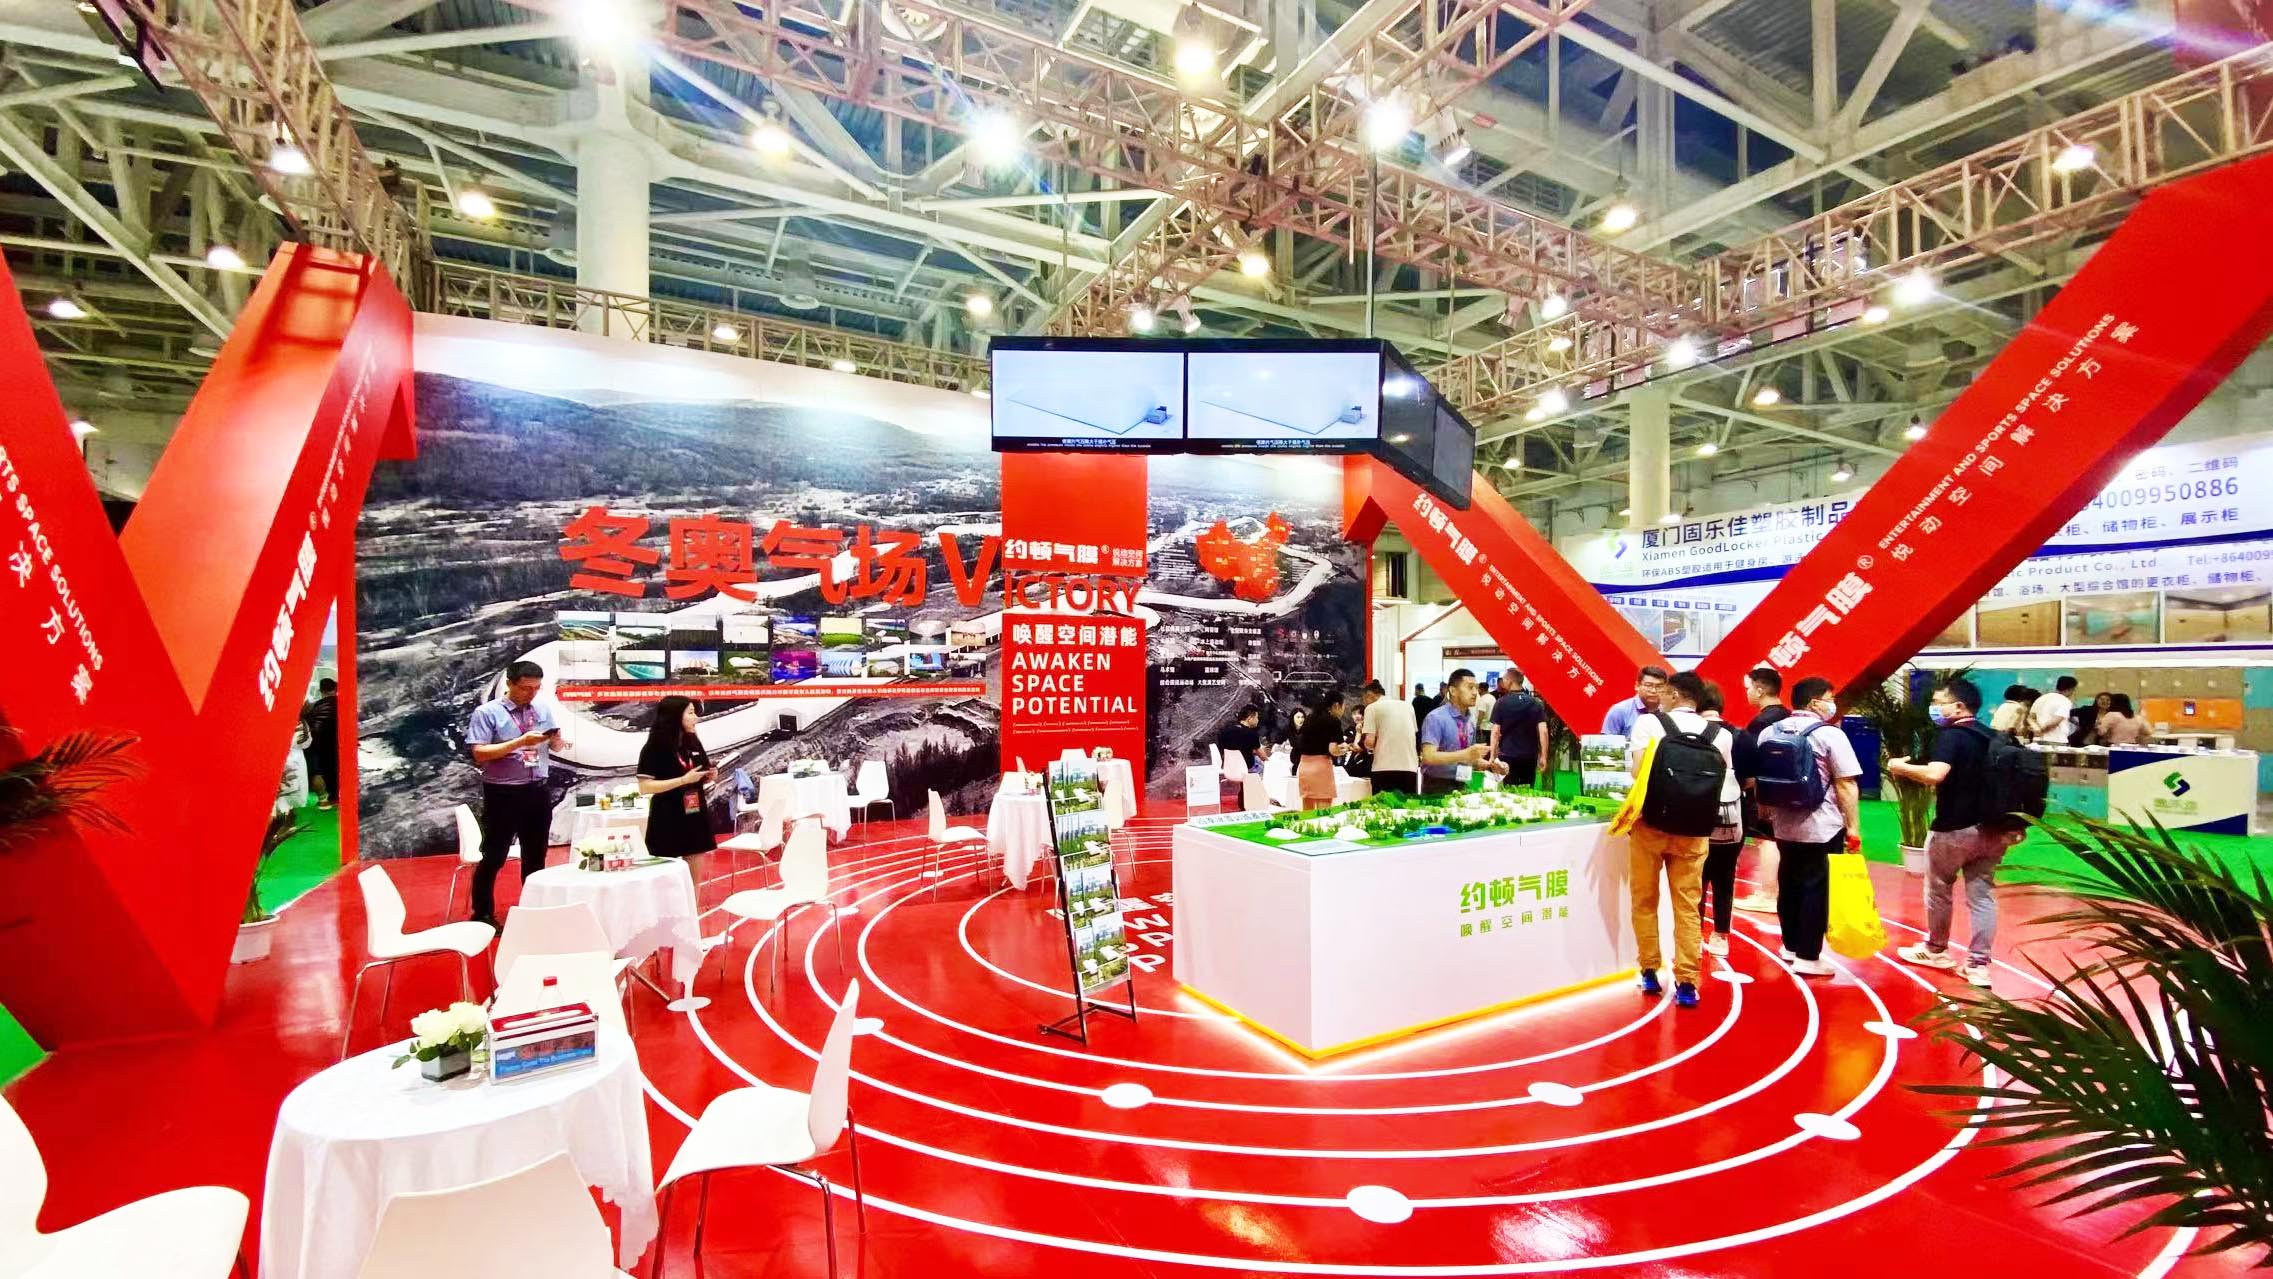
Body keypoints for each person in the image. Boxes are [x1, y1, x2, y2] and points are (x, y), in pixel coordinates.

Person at [1888, 677, 2017, 988]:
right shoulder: (1994, 737)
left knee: (1939, 888)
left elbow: (1936, 774)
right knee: (1982, 896)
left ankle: (1936, 949)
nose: (1933, 708)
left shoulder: (1952, 736)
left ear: (1958, 706)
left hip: (1953, 830)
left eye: (1937, 702)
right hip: (1993, 830)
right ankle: (1978, 965)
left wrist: (1899, 767)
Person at [1623, 671, 1733, 1007]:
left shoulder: (1649, 724)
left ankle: (1649, 970)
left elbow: (1638, 772)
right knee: (1688, 906)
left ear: (1672, 694)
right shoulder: (1720, 735)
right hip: (1694, 831)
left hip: (1651, 824)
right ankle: (1687, 982)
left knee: (1644, 899)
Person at [1751, 676, 1862, 977]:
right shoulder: (1830, 735)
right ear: (1815, 702)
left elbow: (1761, 779)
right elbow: (1846, 784)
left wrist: (1766, 813)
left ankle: (1789, 946)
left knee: (1788, 882)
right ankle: (1808, 956)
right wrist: (1853, 827)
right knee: (1816, 888)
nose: (1832, 703)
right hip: (1822, 825)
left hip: (1784, 825)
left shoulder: (1770, 732)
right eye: (1830, 698)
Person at [465, 660, 563, 926]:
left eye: (536, 688)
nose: (531, 694)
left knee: (536, 854)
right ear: (510, 683)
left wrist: (556, 741)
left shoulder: (542, 709)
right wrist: (520, 742)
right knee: (494, 855)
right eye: (525, 688)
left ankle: (534, 908)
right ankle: (482, 913)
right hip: (503, 793)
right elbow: (479, 753)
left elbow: (552, 744)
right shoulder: (487, 713)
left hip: (537, 790)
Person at [1693, 680, 1745, 958]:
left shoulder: (1689, 733)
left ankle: (1692, 935)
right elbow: (1750, 779)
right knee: (1725, 878)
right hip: (1732, 817)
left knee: (1694, 878)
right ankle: (1721, 935)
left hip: (1695, 815)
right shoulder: (1740, 736)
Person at [1731, 666, 1790, 915]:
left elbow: (1753, 758)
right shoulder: (1786, 715)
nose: (1747, 693)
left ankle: (1768, 893)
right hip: (1783, 788)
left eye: (1748, 688)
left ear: (1760, 689)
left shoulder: (1763, 722)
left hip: (1764, 788)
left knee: (1766, 840)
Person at [635, 694, 718, 859]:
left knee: (695, 867)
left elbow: (700, 769)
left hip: (695, 811)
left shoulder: (693, 742)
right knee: (667, 870)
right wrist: (683, 780)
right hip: (667, 815)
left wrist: (709, 775)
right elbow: (645, 787)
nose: (696, 718)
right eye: (691, 713)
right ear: (675, 716)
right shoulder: (654, 747)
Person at [1420, 668, 1501, 794]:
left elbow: (1470, 758)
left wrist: (1490, 765)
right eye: (1470, 687)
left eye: (1476, 688)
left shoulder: (1470, 719)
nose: (1475, 692)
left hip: (1463, 781)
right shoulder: (1436, 717)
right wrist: (1465, 754)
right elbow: (1428, 756)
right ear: (1453, 690)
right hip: (1437, 784)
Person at [1487, 668, 1549, 788]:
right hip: (1529, 755)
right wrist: (1543, 756)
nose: (1502, 681)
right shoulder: (1535, 703)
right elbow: (1543, 731)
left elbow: (1495, 732)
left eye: (1504, 679)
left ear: (1509, 681)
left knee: (1509, 790)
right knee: (1527, 789)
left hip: (1507, 754)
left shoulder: (1501, 703)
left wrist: (1492, 756)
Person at [1359, 681, 1421, 796]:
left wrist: (1361, 735)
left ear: (1369, 695)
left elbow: (1369, 742)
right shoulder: (1408, 706)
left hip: (1383, 767)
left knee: (1382, 806)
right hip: (1410, 768)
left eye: (1364, 699)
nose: (1364, 703)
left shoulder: (1372, 708)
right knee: (1406, 805)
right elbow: (1414, 734)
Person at [1294, 692, 1351, 810]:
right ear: (1336, 705)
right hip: (1321, 767)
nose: (1343, 711)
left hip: (1304, 766)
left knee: (1307, 809)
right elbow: (1333, 749)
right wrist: (1344, 750)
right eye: (1343, 707)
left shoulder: (1310, 718)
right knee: (1323, 809)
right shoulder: (1333, 721)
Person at [300, 677, 341, 811]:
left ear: (320, 690)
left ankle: (326, 798)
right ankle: (335, 796)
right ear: (335, 689)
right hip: (338, 743)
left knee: (321, 771)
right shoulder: (343, 705)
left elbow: (309, 727)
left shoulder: (315, 707)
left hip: (318, 746)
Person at [1600, 665, 1670, 736]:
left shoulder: (1669, 711)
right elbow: (1607, 741)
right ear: (1637, 686)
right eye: (1648, 685)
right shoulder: (1619, 710)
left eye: (1659, 686)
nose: (1653, 691)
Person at [2029, 675, 2078, 745]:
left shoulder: (2041, 698)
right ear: (2071, 689)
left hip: (2037, 740)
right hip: (2055, 740)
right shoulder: (2065, 701)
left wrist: (2036, 729)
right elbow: (2055, 722)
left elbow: (2031, 718)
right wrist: (2041, 731)